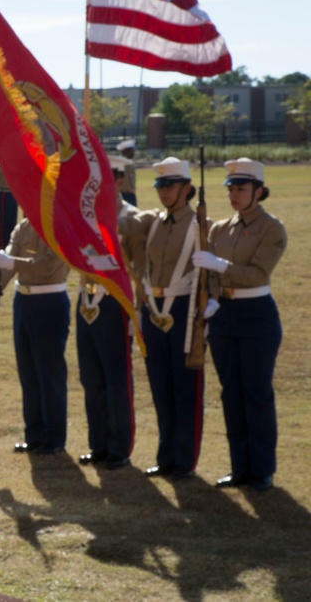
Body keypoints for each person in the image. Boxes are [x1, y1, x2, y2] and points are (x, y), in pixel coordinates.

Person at [194, 158, 286, 492]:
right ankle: (240, 467)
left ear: (259, 191)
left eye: (242, 189)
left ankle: (262, 469)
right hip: (225, 314)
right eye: (231, 189)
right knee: (231, 392)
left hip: (256, 314)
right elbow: (210, 276)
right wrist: (214, 297)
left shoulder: (271, 228)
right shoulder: (220, 227)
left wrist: (219, 265)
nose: (235, 195)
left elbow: (258, 274)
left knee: (256, 393)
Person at [126, 157, 206, 480]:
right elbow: (123, 222)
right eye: (160, 187)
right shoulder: (152, 221)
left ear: (187, 188)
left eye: (170, 187)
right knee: (160, 386)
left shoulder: (200, 224)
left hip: (184, 307)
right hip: (154, 308)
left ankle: (184, 459)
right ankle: (166, 455)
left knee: (185, 387)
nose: (164, 193)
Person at [0, 216, 71, 455]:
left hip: (49, 300)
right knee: (29, 372)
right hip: (22, 301)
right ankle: (34, 435)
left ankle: (54, 438)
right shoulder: (24, 226)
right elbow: (7, 266)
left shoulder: (59, 224)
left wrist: (8, 261)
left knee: (49, 373)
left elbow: (46, 265)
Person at [75, 154, 139, 470]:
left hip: (115, 304)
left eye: (106, 181)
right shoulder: (83, 216)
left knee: (116, 378)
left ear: (120, 181)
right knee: (91, 378)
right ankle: (98, 444)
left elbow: (138, 268)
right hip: (86, 301)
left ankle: (119, 446)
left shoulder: (131, 218)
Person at [116, 139, 138, 206]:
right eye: (132, 151)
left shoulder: (130, 163)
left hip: (131, 195)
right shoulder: (119, 163)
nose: (133, 153)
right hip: (123, 195)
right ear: (126, 151)